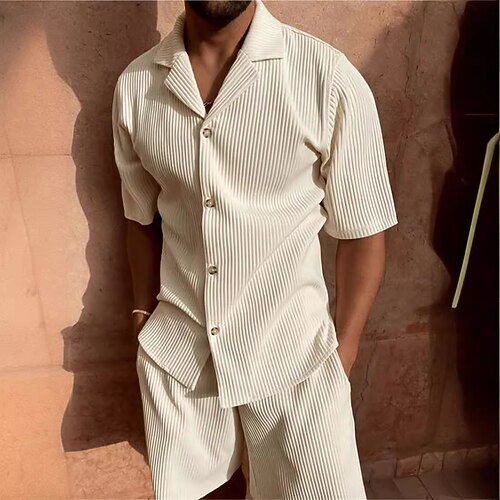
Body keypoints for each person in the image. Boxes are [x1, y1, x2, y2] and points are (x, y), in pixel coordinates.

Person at [111, 0, 398, 498]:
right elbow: (141, 216)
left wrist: (344, 351)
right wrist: (141, 311)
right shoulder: (136, 88)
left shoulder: (326, 78)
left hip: (294, 358)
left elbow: (364, 229)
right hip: (183, 359)